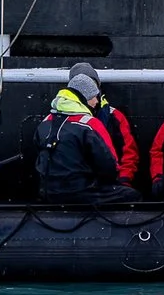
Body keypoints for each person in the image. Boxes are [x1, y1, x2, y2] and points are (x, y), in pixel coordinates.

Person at [33, 63, 141, 205]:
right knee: (132, 196)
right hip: (82, 191)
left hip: (49, 192)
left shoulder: (47, 121)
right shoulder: (89, 124)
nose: (96, 101)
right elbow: (108, 166)